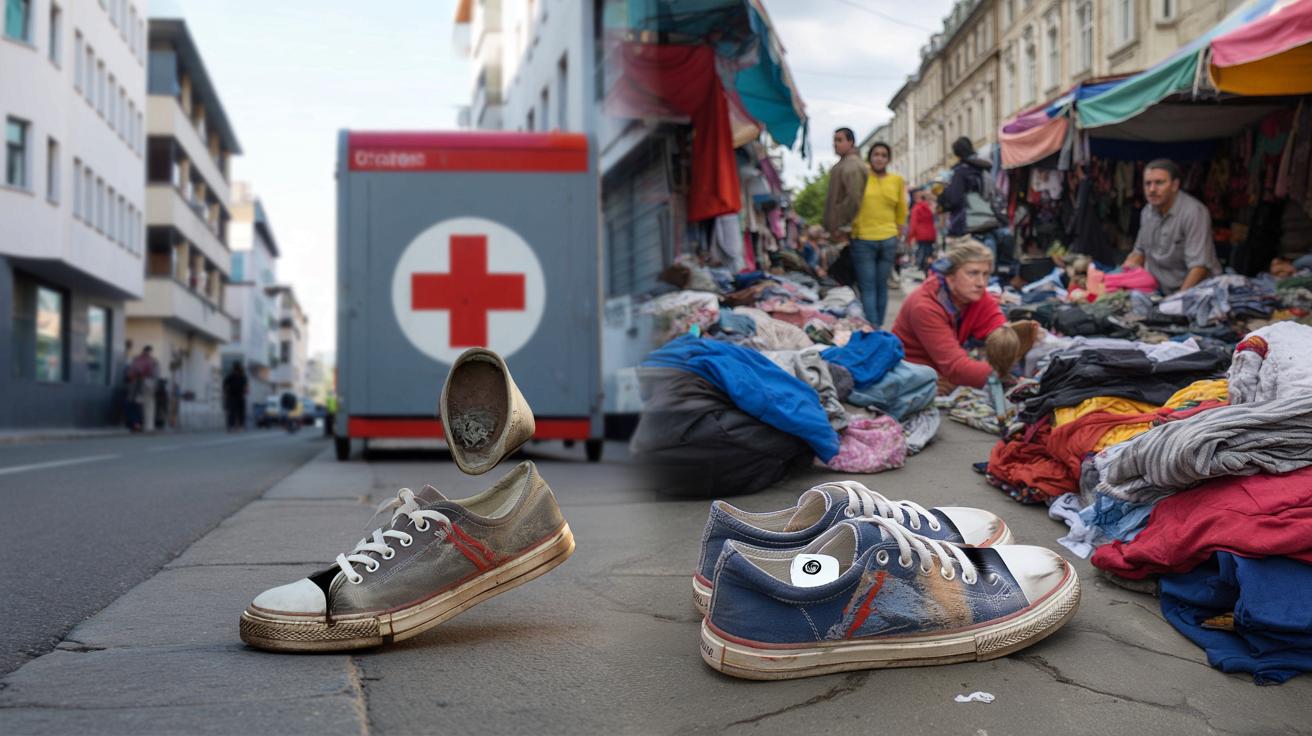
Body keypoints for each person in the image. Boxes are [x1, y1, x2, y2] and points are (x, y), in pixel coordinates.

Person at [892, 240, 1035, 390]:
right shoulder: (925, 306)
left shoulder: (974, 295)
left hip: (942, 371)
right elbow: (956, 367)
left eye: (985, 274)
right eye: (973, 273)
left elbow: (998, 328)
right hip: (912, 379)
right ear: (950, 277)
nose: (981, 282)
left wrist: (1014, 338)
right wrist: (1005, 379)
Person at [1120, 159, 1221, 294]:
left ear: (1175, 185)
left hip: (1196, 292)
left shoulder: (1194, 212)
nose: (1152, 189)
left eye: (1159, 183)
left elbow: (1199, 267)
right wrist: (1122, 276)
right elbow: (1139, 252)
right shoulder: (1147, 212)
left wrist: (1176, 301)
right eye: (1147, 183)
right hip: (1161, 290)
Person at [849, 141, 907, 327]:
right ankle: (872, 327)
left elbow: (901, 208)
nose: (879, 158)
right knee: (868, 287)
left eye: (883, 155)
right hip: (863, 238)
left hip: (888, 239)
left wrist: (899, 230)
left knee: (881, 286)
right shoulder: (862, 177)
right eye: (876, 154)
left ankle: (878, 328)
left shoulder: (896, 180)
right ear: (870, 157)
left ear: (888, 159)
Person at [938, 136, 994, 240]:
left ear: (957, 154)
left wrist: (942, 197)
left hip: (966, 222)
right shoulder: (984, 168)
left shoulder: (960, 172)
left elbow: (954, 199)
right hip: (988, 219)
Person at [822, 127, 867, 242]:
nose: (835, 144)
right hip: (842, 230)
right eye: (834, 140)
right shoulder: (844, 164)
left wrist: (844, 225)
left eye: (839, 140)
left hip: (848, 232)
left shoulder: (852, 165)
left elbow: (854, 197)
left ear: (850, 142)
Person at [129, 346, 160, 433]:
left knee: (137, 406)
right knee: (149, 406)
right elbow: (155, 374)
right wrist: (156, 385)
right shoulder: (152, 361)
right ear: (149, 352)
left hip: (136, 385)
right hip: (148, 383)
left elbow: (131, 372)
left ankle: (137, 424)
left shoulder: (136, 360)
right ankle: (148, 426)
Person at [909, 188, 939, 273]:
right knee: (929, 253)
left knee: (921, 252)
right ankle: (928, 268)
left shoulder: (916, 208)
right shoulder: (929, 207)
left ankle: (921, 268)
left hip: (920, 234)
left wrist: (911, 236)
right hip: (931, 233)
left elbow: (913, 223)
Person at [223, 363, 249, 432]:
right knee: (236, 412)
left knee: (235, 412)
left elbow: (225, 385)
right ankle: (237, 426)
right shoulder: (234, 376)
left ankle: (235, 426)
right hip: (235, 396)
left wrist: (225, 393)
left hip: (235, 396)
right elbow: (246, 387)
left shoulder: (232, 376)